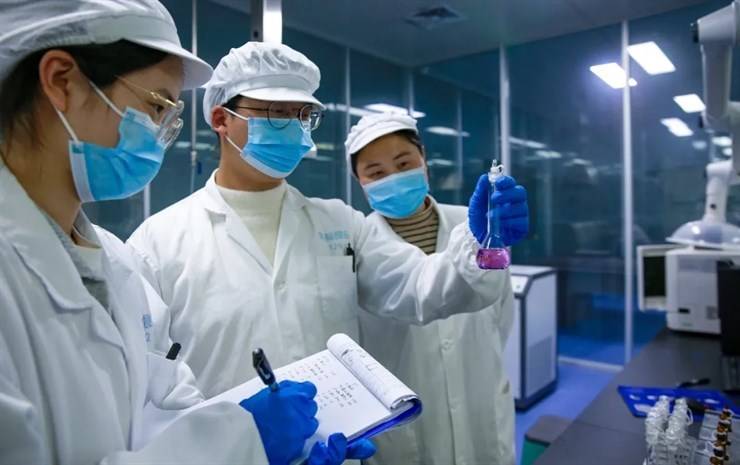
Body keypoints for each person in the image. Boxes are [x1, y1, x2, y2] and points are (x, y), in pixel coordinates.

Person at [0, 2, 371, 464]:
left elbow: (167, 411)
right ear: (61, 81)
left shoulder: (114, 264)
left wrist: (269, 446)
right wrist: (244, 442)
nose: (159, 135)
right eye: (155, 105)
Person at [126, 42, 527, 409]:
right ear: (221, 119)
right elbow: (149, 385)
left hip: (340, 443)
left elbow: (420, 287)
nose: (294, 127)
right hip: (230, 450)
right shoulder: (158, 243)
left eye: (302, 115)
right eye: (276, 113)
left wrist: (480, 242)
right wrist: (235, 435)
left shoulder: (340, 223)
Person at [345, 112, 521, 465]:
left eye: (403, 163)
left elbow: (500, 313)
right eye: (376, 173)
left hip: (481, 408)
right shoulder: (358, 245)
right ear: (358, 181)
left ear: (423, 158)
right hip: (408, 426)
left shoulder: (475, 225)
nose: (393, 178)